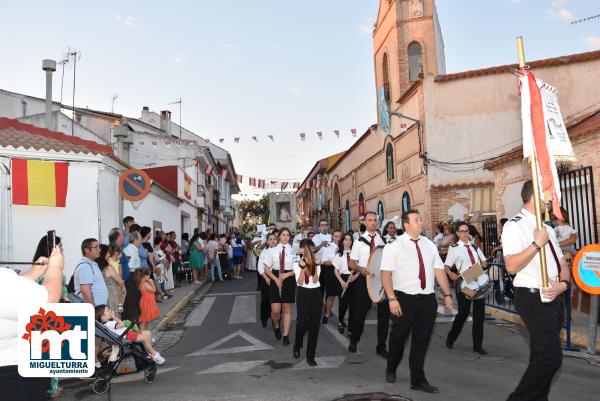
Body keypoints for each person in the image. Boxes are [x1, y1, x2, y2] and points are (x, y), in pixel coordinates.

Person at [502, 180, 570, 401]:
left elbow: (562, 263)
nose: (551, 200)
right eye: (548, 195)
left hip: (554, 295)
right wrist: (535, 244)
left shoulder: (548, 227)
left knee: (540, 356)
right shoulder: (514, 225)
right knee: (551, 358)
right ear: (536, 196)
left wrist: (563, 285)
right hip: (532, 297)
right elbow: (511, 265)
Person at [380, 209, 453, 394]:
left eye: (420, 219)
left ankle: (418, 379)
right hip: (403, 299)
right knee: (399, 338)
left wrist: (447, 294)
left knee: (422, 340)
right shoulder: (394, 246)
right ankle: (391, 366)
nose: (421, 222)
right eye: (417, 220)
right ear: (406, 225)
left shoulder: (429, 244)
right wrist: (391, 298)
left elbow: (438, 270)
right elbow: (385, 273)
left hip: (427, 299)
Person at [0, 246, 64, 401]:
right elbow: (50, 298)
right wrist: (55, 268)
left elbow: (10, 298)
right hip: (12, 374)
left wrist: (33, 273)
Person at [444, 221, 488, 354]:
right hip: (464, 281)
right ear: (457, 233)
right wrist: (451, 273)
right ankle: (451, 337)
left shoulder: (475, 247)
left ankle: (477, 344)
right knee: (463, 312)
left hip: (477, 279)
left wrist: (484, 263)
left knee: (479, 314)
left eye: (467, 231)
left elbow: (484, 262)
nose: (465, 233)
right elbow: (446, 265)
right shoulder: (454, 248)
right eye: (462, 231)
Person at [347, 211, 385, 353]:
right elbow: (351, 263)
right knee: (360, 312)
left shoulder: (383, 241)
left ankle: (381, 346)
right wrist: (360, 269)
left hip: (381, 280)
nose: (373, 222)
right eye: (370, 220)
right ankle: (354, 340)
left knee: (384, 314)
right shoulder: (359, 242)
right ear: (365, 222)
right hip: (364, 279)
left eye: (375, 220)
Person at [95, 305, 165, 365]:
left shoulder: (109, 323)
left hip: (127, 334)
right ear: (102, 317)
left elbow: (121, 324)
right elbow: (122, 324)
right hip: (126, 336)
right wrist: (114, 317)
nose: (110, 311)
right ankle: (154, 354)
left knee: (148, 333)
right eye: (108, 311)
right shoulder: (109, 324)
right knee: (146, 337)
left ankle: (148, 351)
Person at [264, 227, 296, 345]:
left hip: (289, 279)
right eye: (283, 235)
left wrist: (288, 274)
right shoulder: (272, 250)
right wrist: (276, 279)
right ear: (279, 237)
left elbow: (298, 267)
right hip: (275, 278)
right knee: (276, 311)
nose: (286, 237)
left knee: (287, 309)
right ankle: (277, 326)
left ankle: (286, 335)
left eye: (288, 235)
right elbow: (267, 269)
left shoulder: (294, 250)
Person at [293, 239, 322, 366]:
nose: (310, 251)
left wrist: (313, 266)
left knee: (314, 325)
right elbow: (300, 282)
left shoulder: (317, 263)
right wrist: (304, 268)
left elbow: (315, 280)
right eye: (307, 249)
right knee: (302, 323)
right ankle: (297, 343)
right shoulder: (296, 262)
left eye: (312, 249)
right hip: (303, 293)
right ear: (301, 250)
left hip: (316, 292)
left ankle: (311, 356)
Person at [74, 238, 108, 306]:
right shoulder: (85, 267)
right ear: (87, 250)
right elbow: (86, 292)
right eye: (96, 247)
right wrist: (93, 310)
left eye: (99, 247)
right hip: (94, 309)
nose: (99, 249)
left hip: (99, 308)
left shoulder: (92, 264)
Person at [332, 232, 355, 334]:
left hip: (353, 279)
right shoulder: (339, 254)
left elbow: (359, 267)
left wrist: (356, 276)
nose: (348, 241)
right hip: (342, 279)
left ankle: (351, 326)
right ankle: (341, 321)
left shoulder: (355, 254)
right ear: (342, 241)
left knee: (353, 305)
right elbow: (335, 270)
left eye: (350, 239)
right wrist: (341, 282)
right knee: (343, 305)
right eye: (346, 239)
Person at [319, 230, 341, 324]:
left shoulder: (346, 246)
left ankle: (341, 318)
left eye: (339, 236)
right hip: (331, 272)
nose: (338, 238)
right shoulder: (327, 247)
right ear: (332, 237)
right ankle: (327, 314)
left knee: (343, 296)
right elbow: (324, 262)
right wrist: (336, 261)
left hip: (343, 273)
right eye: (336, 236)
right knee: (330, 295)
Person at [257, 232, 278, 327]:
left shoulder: (280, 251)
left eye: (274, 239)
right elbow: (260, 267)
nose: (273, 241)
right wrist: (266, 278)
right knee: (265, 300)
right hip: (266, 278)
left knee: (276, 301)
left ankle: (276, 321)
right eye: (270, 239)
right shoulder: (264, 252)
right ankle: (264, 318)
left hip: (278, 278)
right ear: (267, 241)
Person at [99, 245, 125, 316]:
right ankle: (120, 305)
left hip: (105, 294)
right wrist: (121, 282)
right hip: (112, 294)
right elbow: (120, 280)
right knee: (114, 314)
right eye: (107, 253)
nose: (109, 254)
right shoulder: (109, 266)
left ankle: (120, 304)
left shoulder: (99, 266)